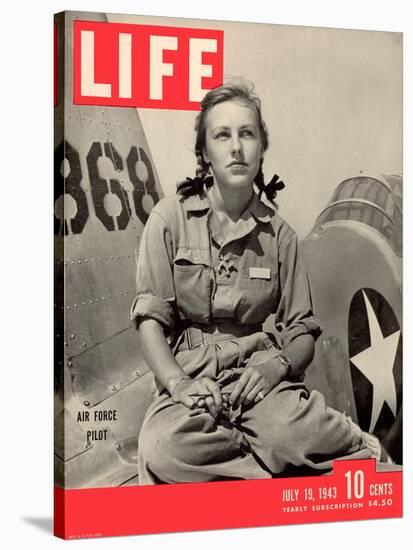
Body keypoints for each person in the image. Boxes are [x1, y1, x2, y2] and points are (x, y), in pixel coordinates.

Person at [130, 78, 384, 484]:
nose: (236, 147)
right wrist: (177, 384)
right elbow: (150, 321)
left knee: (292, 433)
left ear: (261, 147)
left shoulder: (280, 235)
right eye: (222, 135)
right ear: (205, 152)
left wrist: (276, 366)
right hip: (191, 373)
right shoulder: (168, 219)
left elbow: (302, 331)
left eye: (246, 134)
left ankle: (344, 442)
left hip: (257, 372)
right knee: (163, 449)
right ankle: (269, 466)